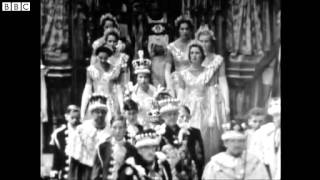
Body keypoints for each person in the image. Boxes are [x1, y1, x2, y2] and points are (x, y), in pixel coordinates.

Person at [174, 40, 224, 163]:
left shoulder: (208, 72)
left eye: (197, 53)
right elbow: (180, 94)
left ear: (202, 55)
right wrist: (180, 111)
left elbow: (212, 93)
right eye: (192, 53)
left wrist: (212, 115)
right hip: (189, 108)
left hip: (204, 107)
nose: (194, 55)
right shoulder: (183, 74)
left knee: (205, 136)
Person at [202, 121, 269, 180]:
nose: (237, 145)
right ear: (225, 143)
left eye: (240, 141)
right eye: (232, 141)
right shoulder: (215, 165)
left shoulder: (255, 162)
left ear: (245, 142)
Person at [68, 94, 112, 180]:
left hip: (104, 173)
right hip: (85, 172)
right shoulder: (81, 130)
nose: (100, 115)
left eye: (103, 112)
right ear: (91, 113)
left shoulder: (110, 132)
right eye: (97, 111)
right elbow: (74, 161)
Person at [80, 46, 124, 121]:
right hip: (97, 101)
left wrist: (122, 107)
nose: (103, 60)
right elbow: (87, 90)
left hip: (110, 102)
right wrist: (82, 110)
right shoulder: (91, 70)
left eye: (105, 58)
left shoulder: (114, 70)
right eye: (100, 58)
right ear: (97, 56)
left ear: (108, 57)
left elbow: (119, 90)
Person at [91, 115, 138, 180]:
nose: (117, 131)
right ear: (110, 128)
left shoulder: (132, 149)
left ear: (125, 129)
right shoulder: (102, 148)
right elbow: (95, 174)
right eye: (114, 127)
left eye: (121, 128)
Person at [49, 105, 81, 180]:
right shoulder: (59, 134)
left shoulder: (84, 132)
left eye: (77, 118)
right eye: (72, 117)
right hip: (64, 176)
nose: (75, 120)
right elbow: (56, 159)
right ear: (66, 116)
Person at [167, 15, 194, 97]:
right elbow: (167, 70)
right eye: (182, 29)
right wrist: (169, 85)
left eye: (187, 29)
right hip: (177, 80)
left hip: (193, 78)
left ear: (190, 30)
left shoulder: (195, 44)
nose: (184, 31)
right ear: (178, 30)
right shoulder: (171, 46)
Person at [177, 105, 205, 179]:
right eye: (182, 116)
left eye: (187, 116)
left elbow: (200, 154)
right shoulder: (171, 132)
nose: (185, 119)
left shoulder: (195, 132)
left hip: (192, 169)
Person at [130, 50, 156, 126]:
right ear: (136, 78)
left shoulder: (154, 91)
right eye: (140, 77)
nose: (143, 80)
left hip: (152, 123)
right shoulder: (132, 91)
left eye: (145, 77)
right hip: (136, 124)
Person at [259, 98, 281, 179]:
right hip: (269, 168)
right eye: (274, 116)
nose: (276, 119)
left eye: (278, 115)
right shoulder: (266, 131)